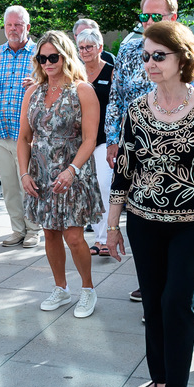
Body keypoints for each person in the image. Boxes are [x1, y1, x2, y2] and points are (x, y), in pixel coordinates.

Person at [107, 21, 194, 387]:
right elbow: (123, 171)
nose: (150, 63)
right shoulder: (136, 110)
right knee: (154, 304)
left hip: (193, 224)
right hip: (144, 223)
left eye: (159, 55)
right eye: (146, 56)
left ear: (184, 58)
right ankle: (158, 378)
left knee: (176, 303)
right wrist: (112, 225)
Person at [104, 0, 194, 303]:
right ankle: (149, 282)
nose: (149, 21)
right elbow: (117, 96)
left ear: (172, 17)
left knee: (173, 218)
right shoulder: (129, 50)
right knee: (143, 218)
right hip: (137, 154)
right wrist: (113, 140)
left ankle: (173, 289)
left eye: (156, 16)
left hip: (179, 158)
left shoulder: (187, 51)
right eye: (144, 16)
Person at [18, 31, 104, 318]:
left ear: (65, 56)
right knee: (50, 233)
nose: (47, 63)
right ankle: (61, 287)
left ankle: (88, 289)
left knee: (74, 236)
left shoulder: (82, 90)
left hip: (73, 171)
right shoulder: (33, 91)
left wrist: (72, 170)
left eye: (53, 57)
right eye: (42, 58)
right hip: (41, 173)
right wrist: (23, 174)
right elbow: (23, 138)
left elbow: (90, 139)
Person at [0, 6, 40, 248]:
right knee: (10, 186)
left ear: (27, 27)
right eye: (9, 25)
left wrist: (38, 84)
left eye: (18, 25)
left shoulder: (39, 54)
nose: (13, 29)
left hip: (27, 135)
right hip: (0, 133)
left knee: (29, 184)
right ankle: (17, 229)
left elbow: (59, 84)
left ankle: (33, 229)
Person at [76, 28, 114, 256]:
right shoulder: (76, 74)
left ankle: (106, 238)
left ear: (100, 47)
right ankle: (98, 238)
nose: (85, 51)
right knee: (88, 190)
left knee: (103, 186)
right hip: (80, 141)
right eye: (81, 48)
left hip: (104, 140)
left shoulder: (112, 72)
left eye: (89, 47)